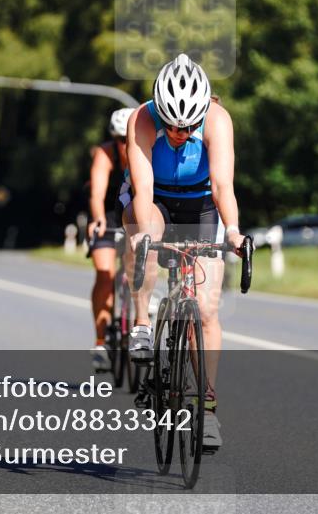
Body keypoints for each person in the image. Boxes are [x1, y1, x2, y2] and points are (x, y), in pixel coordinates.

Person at [122, 53, 247, 450]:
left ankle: (207, 408)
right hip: (155, 199)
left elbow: (223, 187)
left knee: (206, 310)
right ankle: (142, 323)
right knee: (146, 236)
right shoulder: (141, 119)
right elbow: (142, 190)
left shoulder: (218, 120)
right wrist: (145, 236)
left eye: (187, 126)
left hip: (201, 205)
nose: (179, 133)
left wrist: (233, 231)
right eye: (172, 125)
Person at [86, 107, 134, 371]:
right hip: (107, 214)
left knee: (136, 269)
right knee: (104, 274)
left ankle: (139, 323)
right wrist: (97, 218)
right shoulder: (106, 153)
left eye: (130, 138)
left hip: (134, 214)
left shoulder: (147, 149)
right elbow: (97, 191)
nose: (126, 145)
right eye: (121, 139)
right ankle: (101, 341)